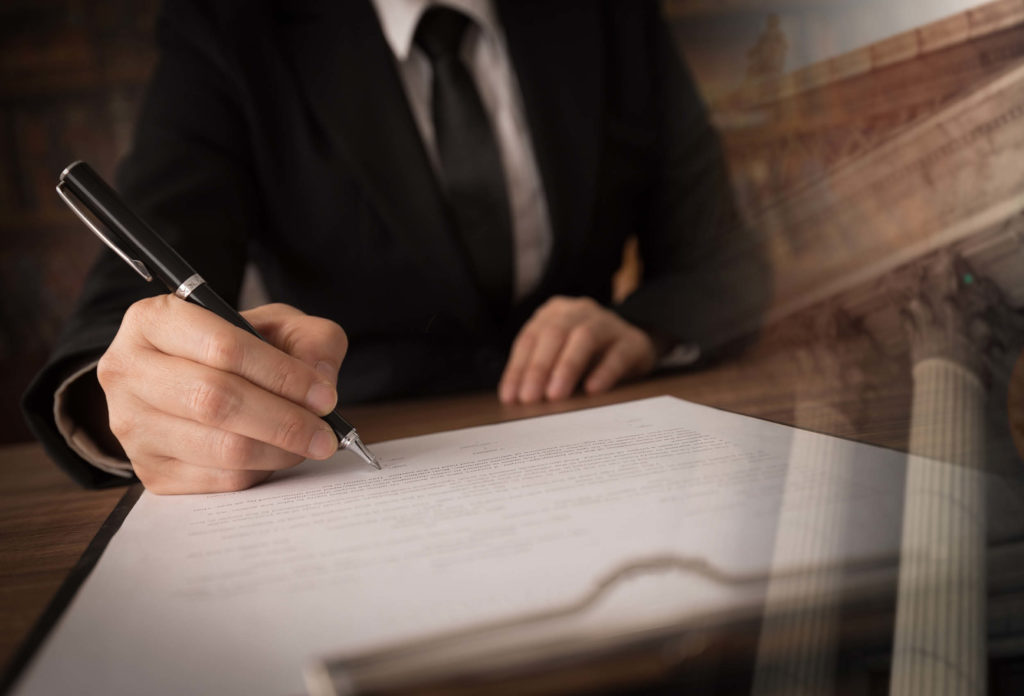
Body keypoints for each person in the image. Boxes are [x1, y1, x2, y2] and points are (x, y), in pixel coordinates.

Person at [22, 0, 770, 494]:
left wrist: (646, 327)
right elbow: (134, 293)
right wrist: (134, 397)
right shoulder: (229, 28)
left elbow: (727, 263)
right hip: (346, 456)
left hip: (606, 447)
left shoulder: (610, 13)